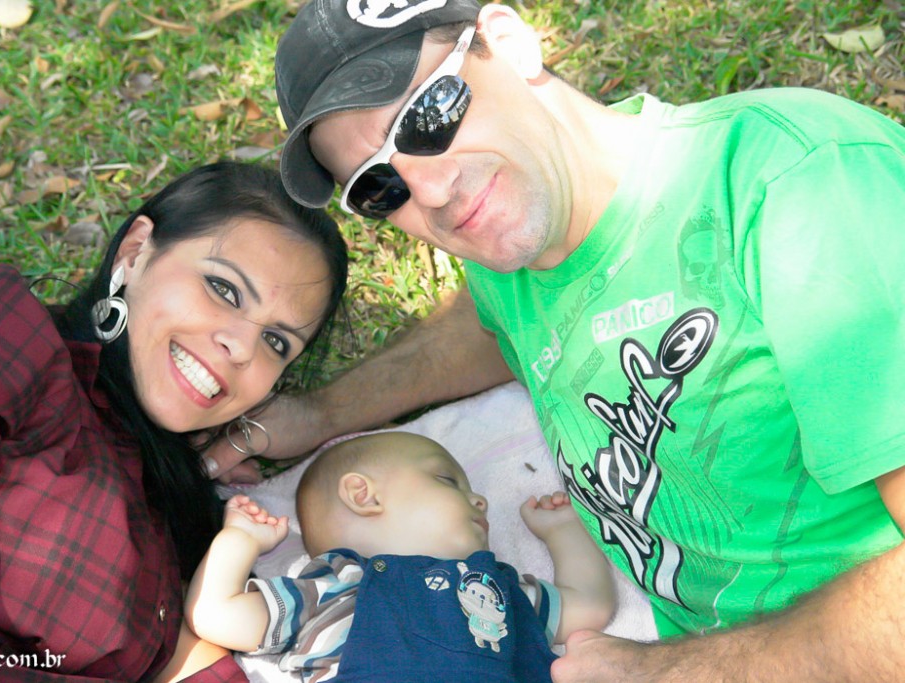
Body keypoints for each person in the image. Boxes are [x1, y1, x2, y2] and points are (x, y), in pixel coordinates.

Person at [201, 0, 905, 680]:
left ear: (511, 45)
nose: (432, 190)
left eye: (428, 116)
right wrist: (322, 414)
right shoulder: (514, 257)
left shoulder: (800, 189)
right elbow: (484, 330)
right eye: (380, 187)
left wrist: (667, 672)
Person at [0, 161, 348, 682]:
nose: (242, 347)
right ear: (135, 251)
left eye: (276, 342)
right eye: (224, 289)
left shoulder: (174, 519)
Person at [187, 431, 614, 682]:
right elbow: (215, 615)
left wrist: (565, 533)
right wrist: (239, 539)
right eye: (448, 480)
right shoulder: (335, 588)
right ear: (363, 495)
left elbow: (589, 606)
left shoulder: (495, 587)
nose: (480, 500)